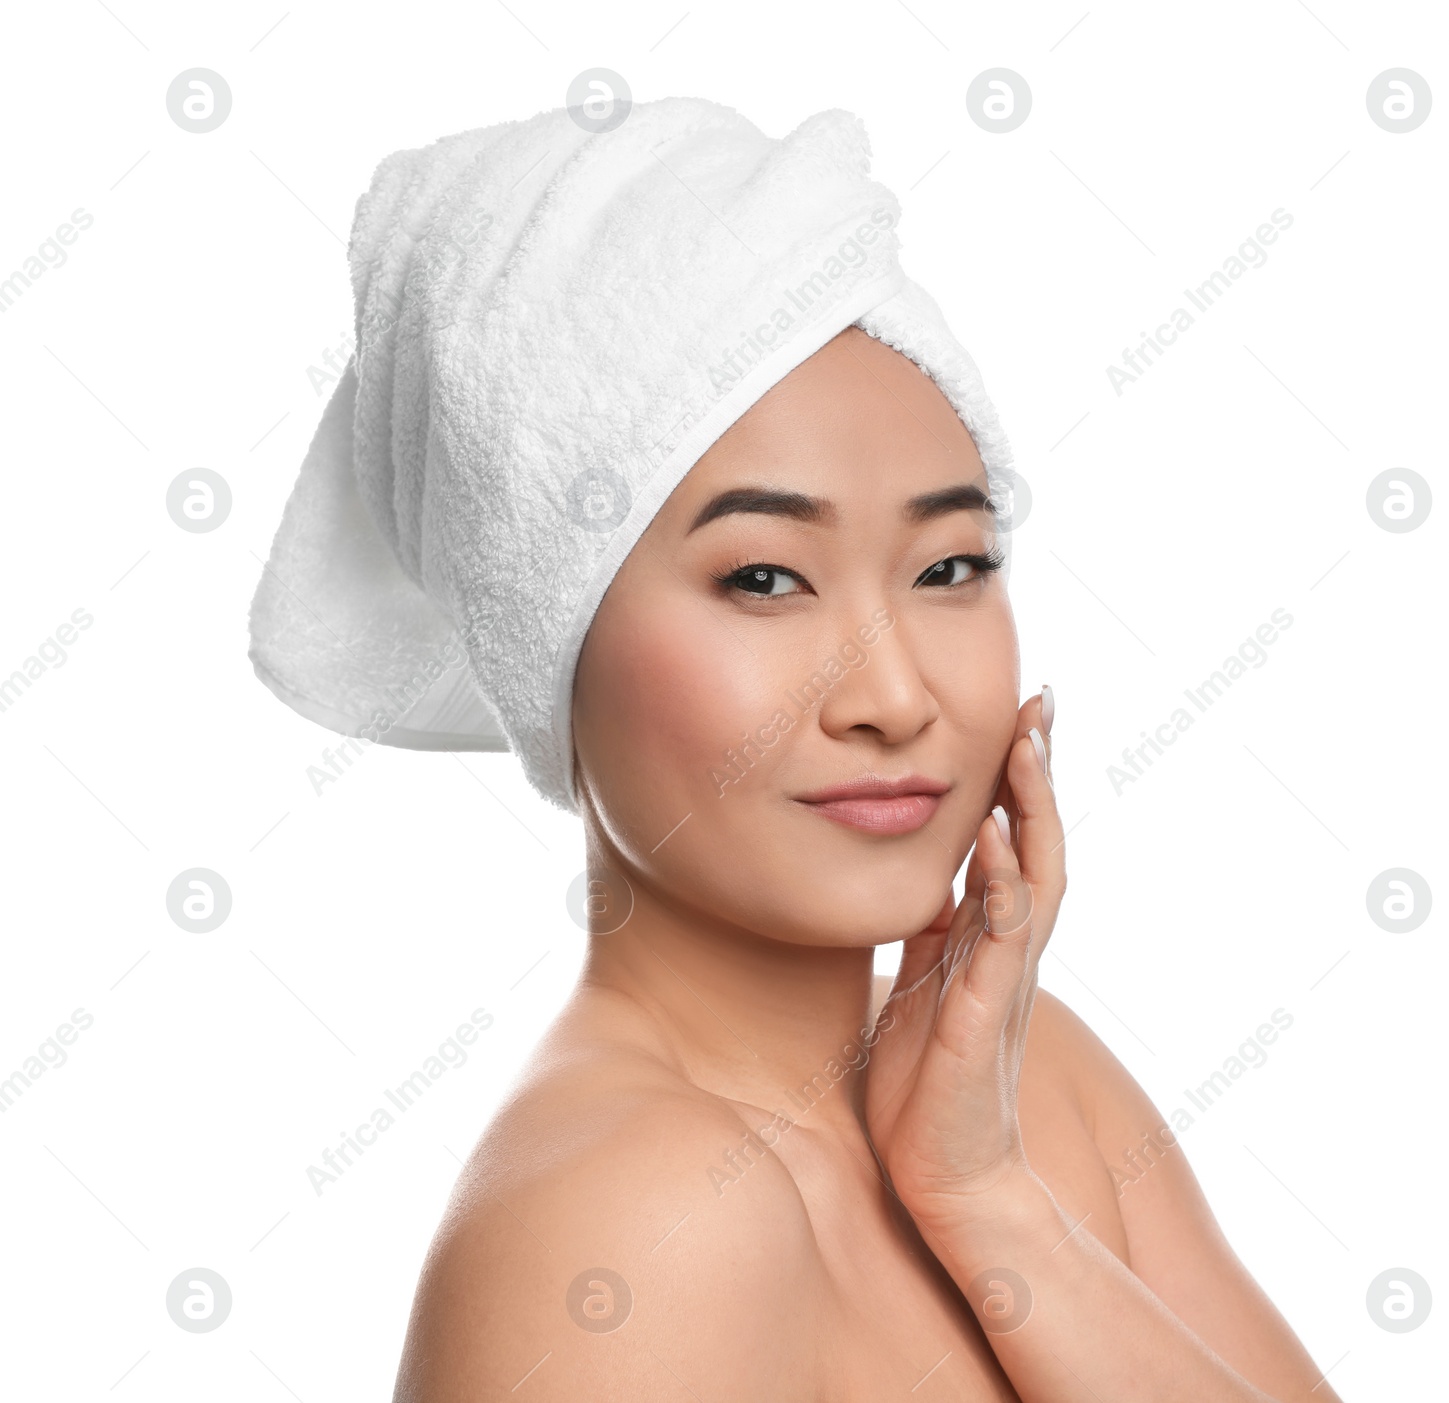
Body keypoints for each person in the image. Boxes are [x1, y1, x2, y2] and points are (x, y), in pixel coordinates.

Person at [247, 96, 1339, 1402]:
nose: (892, 693)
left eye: (950, 565)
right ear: (547, 630)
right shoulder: (630, 1226)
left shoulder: (1029, 1091)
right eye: (765, 579)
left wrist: (990, 1200)